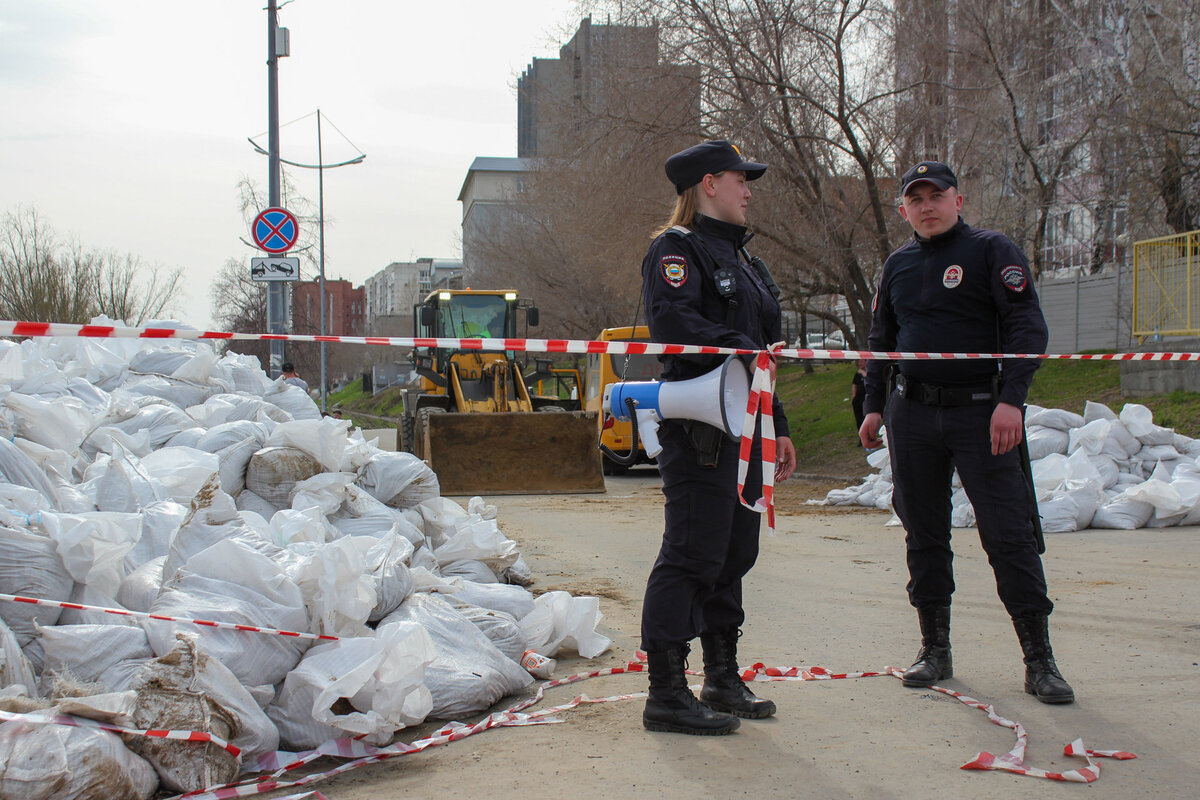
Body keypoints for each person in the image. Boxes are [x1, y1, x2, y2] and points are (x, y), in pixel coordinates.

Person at [859, 161, 1074, 704]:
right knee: (924, 534)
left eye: (937, 195)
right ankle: (935, 650)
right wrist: (873, 406)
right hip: (912, 413)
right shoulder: (897, 264)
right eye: (916, 198)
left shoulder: (991, 250)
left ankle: (1039, 661)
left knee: (1009, 535)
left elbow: (1028, 327)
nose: (927, 206)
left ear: (958, 199)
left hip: (983, 413)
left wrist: (1011, 401)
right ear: (903, 208)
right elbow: (881, 337)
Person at [639, 140, 797, 736]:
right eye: (740, 179)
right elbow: (674, 323)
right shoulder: (675, 251)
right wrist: (741, 350)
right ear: (709, 184)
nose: (748, 189)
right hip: (699, 426)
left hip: (749, 427)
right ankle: (666, 693)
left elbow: (763, 359)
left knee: (734, 554)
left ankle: (721, 677)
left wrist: (776, 426)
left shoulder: (749, 264)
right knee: (690, 555)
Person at [850, 359, 867, 439]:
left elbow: (870, 381)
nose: (859, 363)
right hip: (858, 399)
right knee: (859, 418)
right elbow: (854, 385)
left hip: (866, 398)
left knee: (866, 418)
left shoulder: (870, 372)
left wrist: (864, 374)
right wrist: (854, 397)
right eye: (858, 362)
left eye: (861, 361)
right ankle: (862, 437)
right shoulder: (857, 374)